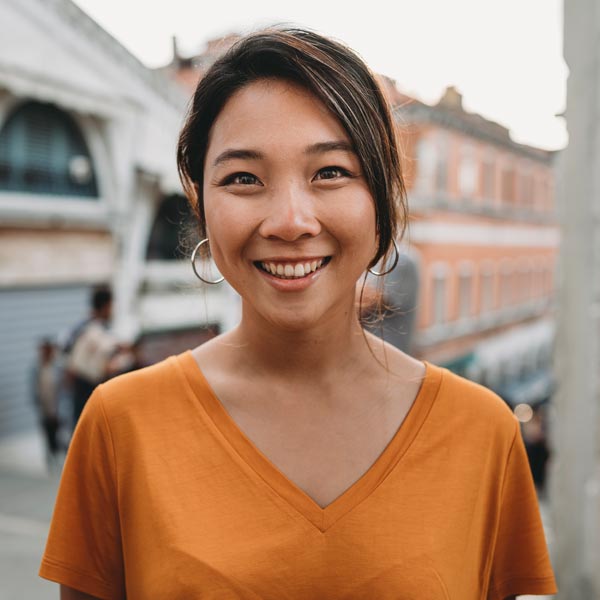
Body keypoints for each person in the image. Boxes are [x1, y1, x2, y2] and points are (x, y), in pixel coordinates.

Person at [40, 28, 556, 599]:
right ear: (202, 205)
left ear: (383, 200)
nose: (290, 221)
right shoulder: (121, 425)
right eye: (243, 178)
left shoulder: (482, 433)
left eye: (330, 172)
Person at [63, 286, 121, 428]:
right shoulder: (89, 329)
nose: (112, 310)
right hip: (86, 388)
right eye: (111, 306)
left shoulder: (96, 327)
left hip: (89, 388)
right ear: (105, 306)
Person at [31, 339, 64, 470]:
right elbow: (34, 388)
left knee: (58, 432)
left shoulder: (57, 367)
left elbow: (62, 389)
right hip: (44, 407)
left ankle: (57, 454)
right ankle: (50, 457)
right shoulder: (36, 368)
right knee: (47, 432)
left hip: (57, 407)